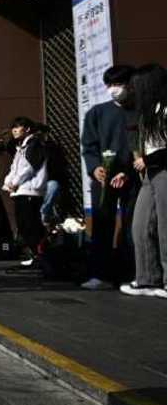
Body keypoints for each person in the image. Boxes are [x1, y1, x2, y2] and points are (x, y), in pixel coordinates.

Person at [81, 65, 139, 290]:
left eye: (119, 84)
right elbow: (89, 145)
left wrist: (130, 171)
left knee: (132, 225)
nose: (114, 89)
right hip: (103, 178)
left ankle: (131, 272)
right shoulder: (97, 112)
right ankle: (99, 274)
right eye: (110, 84)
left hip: (133, 177)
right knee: (102, 224)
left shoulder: (140, 111)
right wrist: (95, 168)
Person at [122, 65, 167, 298]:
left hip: (163, 171)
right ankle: (148, 278)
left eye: (137, 85)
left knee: (165, 227)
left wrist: (148, 159)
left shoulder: (164, 109)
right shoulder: (148, 112)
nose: (133, 90)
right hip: (150, 174)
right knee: (140, 225)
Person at [2, 117, 48, 261]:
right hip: (21, 191)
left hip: (30, 190)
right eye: (13, 128)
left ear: (27, 129)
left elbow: (28, 168)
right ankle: (36, 255)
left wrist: (14, 182)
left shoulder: (34, 144)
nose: (14, 130)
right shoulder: (22, 146)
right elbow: (14, 168)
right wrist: (8, 182)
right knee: (24, 225)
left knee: (30, 225)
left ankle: (39, 255)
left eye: (18, 127)